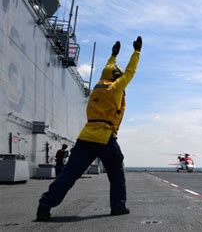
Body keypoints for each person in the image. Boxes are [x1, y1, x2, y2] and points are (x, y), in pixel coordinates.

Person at [36, 36, 142, 221]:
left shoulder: (97, 87)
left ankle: (45, 205)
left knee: (69, 175)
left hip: (85, 136)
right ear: (115, 76)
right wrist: (136, 52)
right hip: (105, 137)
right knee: (117, 173)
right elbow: (130, 72)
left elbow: (106, 71)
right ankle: (118, 206)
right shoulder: (115, 88)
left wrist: (113, 56)